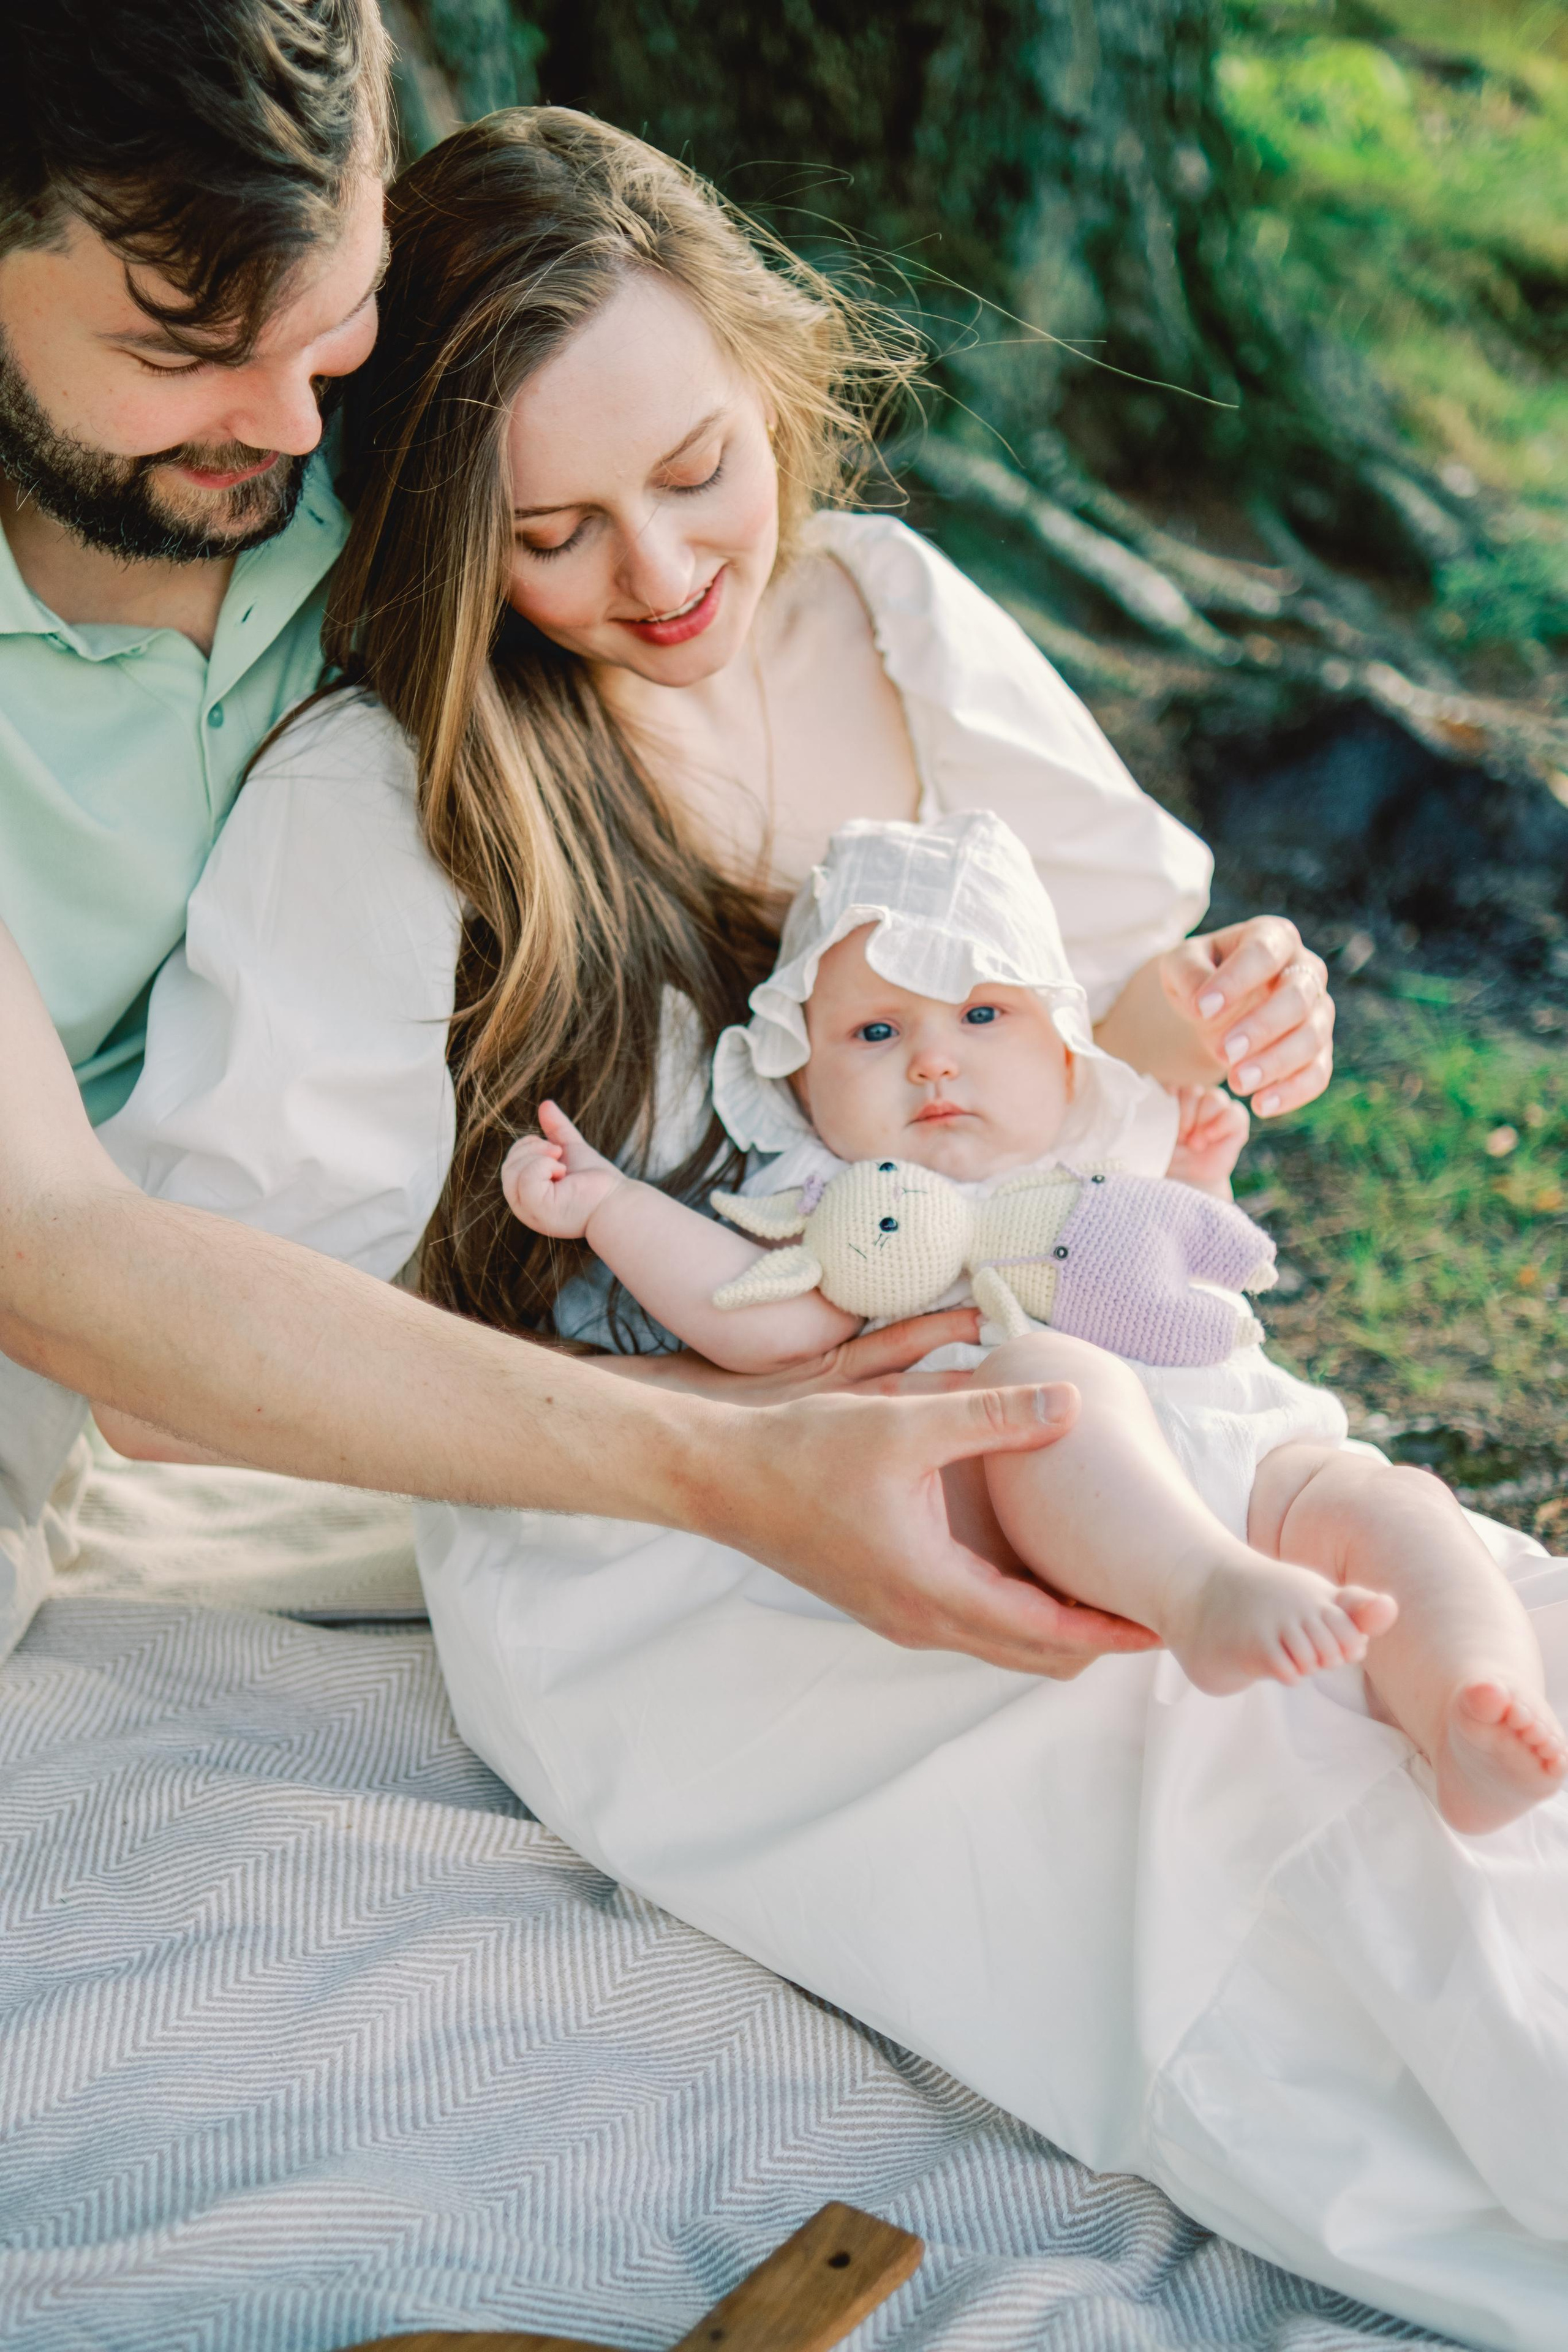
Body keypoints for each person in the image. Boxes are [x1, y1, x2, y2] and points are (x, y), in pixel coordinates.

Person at [105, 109, 1568, 2347]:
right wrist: (718, 1413)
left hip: (1067, 1378)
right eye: (555, 534)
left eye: (701, 469)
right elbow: (196, 1352)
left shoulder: (892, 618)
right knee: (1228, 1828)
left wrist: (1217, 1023)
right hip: (682, 1539)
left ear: (773, 375)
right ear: (447, 536)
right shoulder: (398, 794)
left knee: (1427, 1649)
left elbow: (1100, 1047)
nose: (661, 571)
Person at [0, 0, 1129, 1672]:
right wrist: (722, 1435)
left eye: (332, 325)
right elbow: (61, 1252)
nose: (295, 432)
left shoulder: (384, 491)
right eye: (182, 358)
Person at [503, 810, 1568, 1833]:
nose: (933, 1059)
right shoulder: (845, 1210)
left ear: (1064, 1051)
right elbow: (749, 1318)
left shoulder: (1107, 1146)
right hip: (1047, 1490)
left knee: (1395, 1503)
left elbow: (1187, 1300)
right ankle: (1204, 1595)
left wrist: (1199, 1183)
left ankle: (1473, 1702)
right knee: (1054, 1378)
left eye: (982, 1015)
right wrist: (612, 1207)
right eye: (876, 1032)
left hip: (1243, 1456)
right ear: (801, 1084)